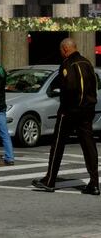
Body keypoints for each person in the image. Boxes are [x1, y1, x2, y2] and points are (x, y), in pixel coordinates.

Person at [32, 38, 99, 195]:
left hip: (70, 111)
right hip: (87, 110)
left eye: (61, 51)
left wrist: (65, 107)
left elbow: (68, 87)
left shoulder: (67, 64)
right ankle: (94, 183)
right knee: (89, 146)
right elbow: (93, 87)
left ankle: (50, 180)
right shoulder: (88, 63)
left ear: (65, 49)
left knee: (58, 144)